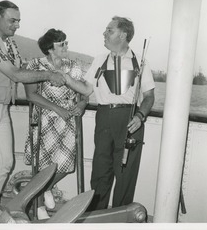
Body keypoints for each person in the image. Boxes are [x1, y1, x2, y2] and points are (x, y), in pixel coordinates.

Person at [0, 1, 66, 223]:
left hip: (1, 107)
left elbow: (25, 68)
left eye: (18, 20)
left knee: (6, 161)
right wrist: (48, 76)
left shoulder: (10, 44)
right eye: (12, 20)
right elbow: (16, 74)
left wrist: (52, 68)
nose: (16, 25)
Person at [64, 16, 155, 211]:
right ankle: (95, 216)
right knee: (100, 171)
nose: (104, 34)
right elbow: (86, 90)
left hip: (131, 121)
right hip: (104, 118)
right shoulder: (99, 60)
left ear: (122, 35)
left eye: (109, 30)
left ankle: (120, 217)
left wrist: (140, 116)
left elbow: (149, 97)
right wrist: (64, 78)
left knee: (125, 174)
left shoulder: (141, 63)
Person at [23, 28, 89, 219]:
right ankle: (39, 205)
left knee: (66, 164)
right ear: (50, 48)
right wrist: (57, 108)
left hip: (67, 121)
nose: (66, 46)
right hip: (44, 119)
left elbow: (84, 92)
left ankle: (44, 189)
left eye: (66, 42)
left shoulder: (73, 66)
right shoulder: (35, 65)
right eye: (61, 44)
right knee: (43, 165)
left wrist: (82, 105)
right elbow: (30, 95)